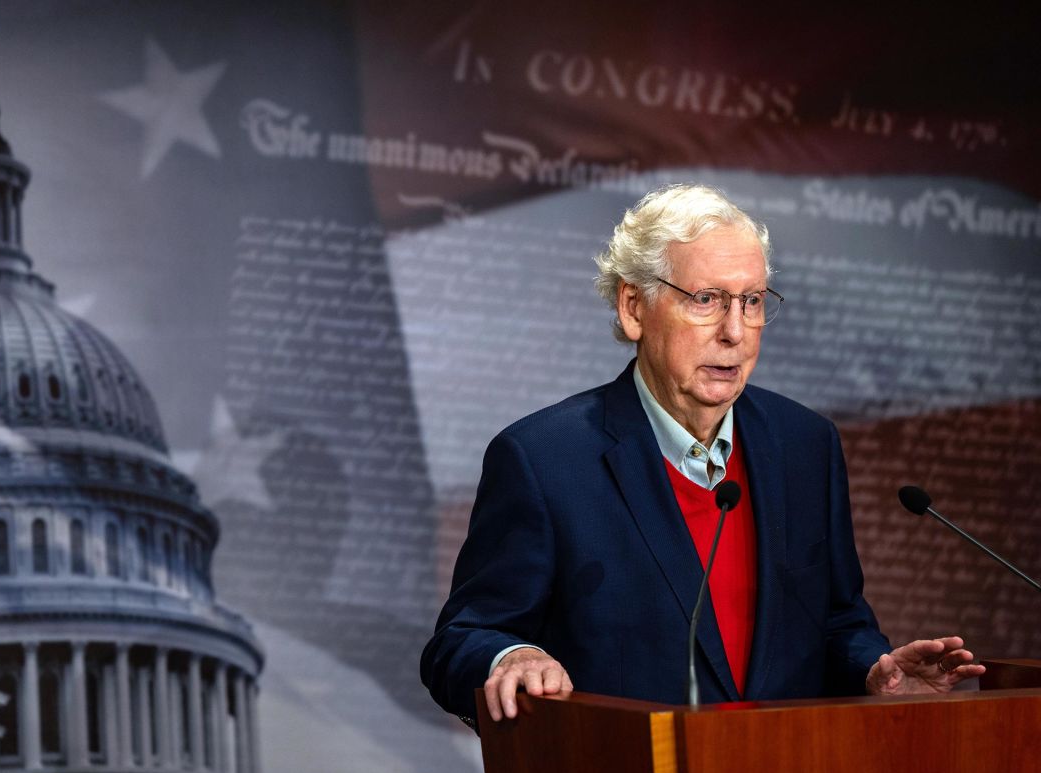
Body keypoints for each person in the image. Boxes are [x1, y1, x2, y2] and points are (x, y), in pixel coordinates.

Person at [420, 184, 984, 726]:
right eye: (707, 300)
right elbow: (462, 641)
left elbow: (838, 621)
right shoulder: (544, 460)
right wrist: (511, 657)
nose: (735, 331)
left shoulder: (804, 445)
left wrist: (873, 671)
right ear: (634, 307)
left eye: (753, 301)